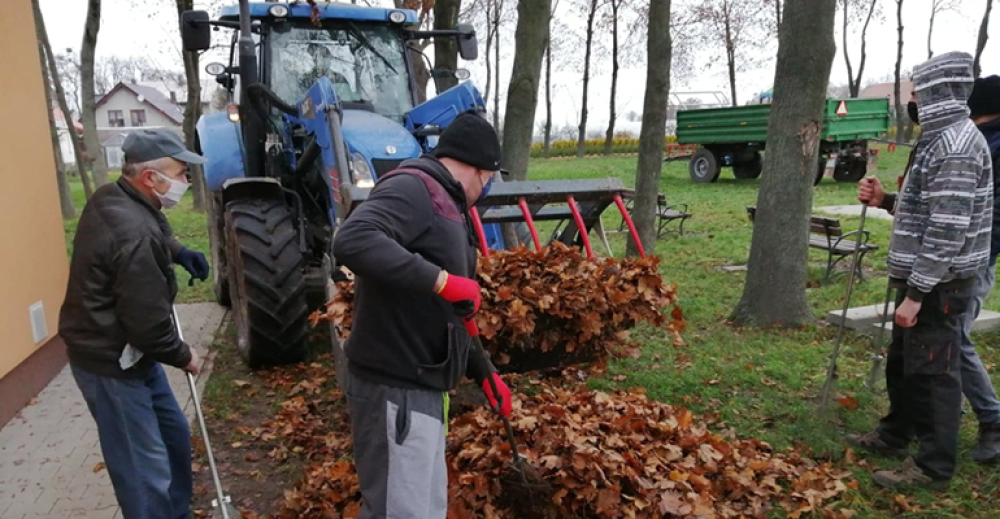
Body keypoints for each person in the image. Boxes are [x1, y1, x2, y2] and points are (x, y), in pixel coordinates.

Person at [332, 111, 512, 518]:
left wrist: (485, 373)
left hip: (425, 386)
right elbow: (353, 239)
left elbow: (452, 312)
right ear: (477, 168)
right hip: (396, 387)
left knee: (424, 511)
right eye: (487, 179)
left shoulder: (449, 202)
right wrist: (441, 280)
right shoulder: (415, 189)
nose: (485, 189)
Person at [847, 51, 994, 490]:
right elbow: (927, 211)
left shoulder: (957, 147)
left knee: (934, 373)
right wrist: (885, 201)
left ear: (937, 92)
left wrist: (917, 293)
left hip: (941, 283)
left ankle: (932, 467)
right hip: (923, 277)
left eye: (917, 90)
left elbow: (948, 229)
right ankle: (896, 434)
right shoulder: (936, 139)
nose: (912, 98)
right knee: (905, 363)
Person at [58, 128, 211, 519]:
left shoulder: (118, 197)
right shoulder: (133, 233)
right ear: (150, 178)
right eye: (180, 173)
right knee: (145, 474)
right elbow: (149, 327)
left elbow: (154, 228)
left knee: (174, 440)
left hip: (133, 355)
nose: (185, 182)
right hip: (111, 363)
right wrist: (185, 355)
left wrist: (178, 251)